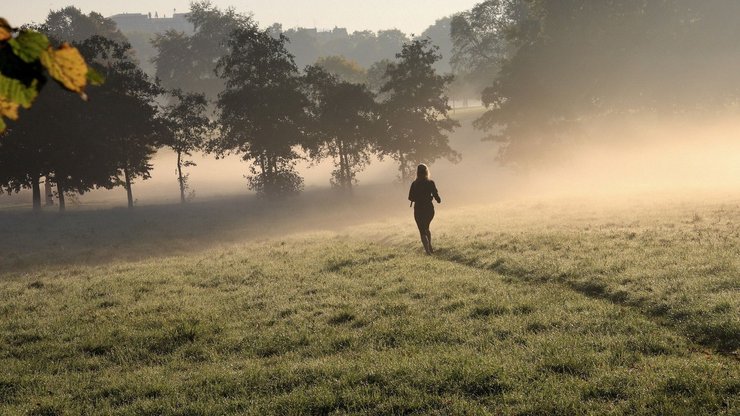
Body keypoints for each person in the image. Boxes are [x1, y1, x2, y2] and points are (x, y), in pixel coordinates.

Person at [408, 164, 441, 255]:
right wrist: (437, 199)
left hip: (418, 209)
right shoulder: (430, 182)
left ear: (417, 172)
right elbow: (436, 195)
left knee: (422, 230)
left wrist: (417, 197)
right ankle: (430, 246)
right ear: (427, 171)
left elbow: (410, 197)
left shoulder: (414, 184)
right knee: (426, 227)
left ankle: (427, 251)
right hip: (429, 209)